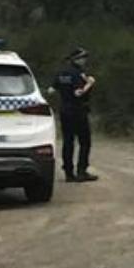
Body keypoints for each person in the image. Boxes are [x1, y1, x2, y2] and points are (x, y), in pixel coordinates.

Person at [48, 47, 99, 183]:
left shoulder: (61, 72)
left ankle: (69, 173)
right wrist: (90, 84)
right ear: (77, 59)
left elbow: (51, 90)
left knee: (68, 141)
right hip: (78, 111)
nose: (85, 61)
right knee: (85, 141)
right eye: (83, 58)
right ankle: (81, 171)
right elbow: (78, 93)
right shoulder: (78, 73)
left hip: (65, 110)